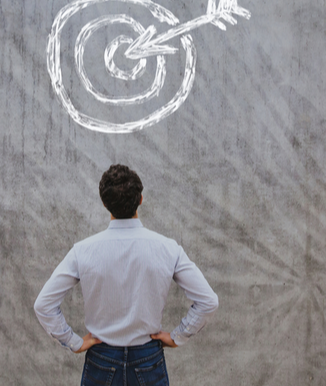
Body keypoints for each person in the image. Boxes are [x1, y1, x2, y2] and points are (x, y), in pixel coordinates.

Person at [34, 164, 219, 386]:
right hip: (148, 359)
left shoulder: (83, 251)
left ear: (104, 203)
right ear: (140, 199)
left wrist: (73, 341)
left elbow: (43, 304)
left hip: (101, 360)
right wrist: (177, 336)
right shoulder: (168, 248)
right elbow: (208, 301)